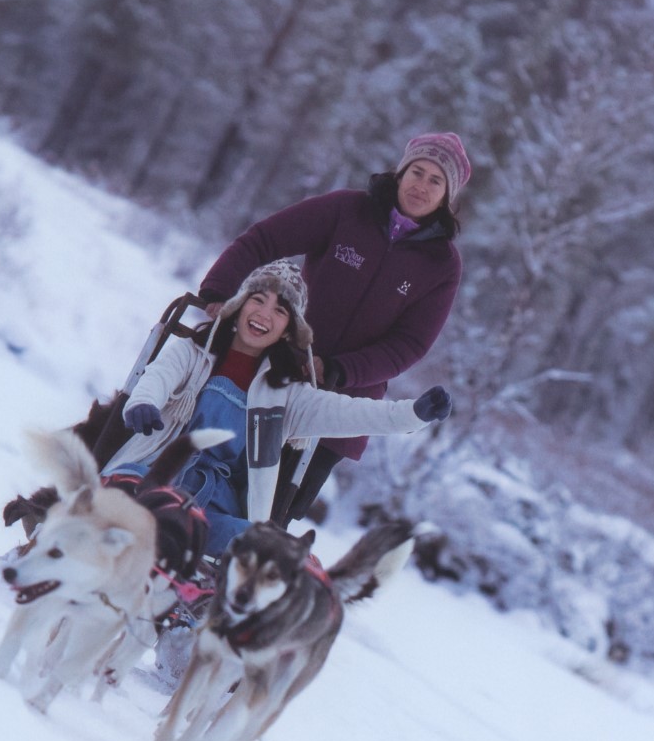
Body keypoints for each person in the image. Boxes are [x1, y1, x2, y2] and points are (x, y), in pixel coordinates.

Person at [195, 132, 470, 521]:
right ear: (400, 171)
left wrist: (339, 370)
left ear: (447, 196)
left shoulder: (442, 265)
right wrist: (217, 292)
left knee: (269, 523)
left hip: (343, 409)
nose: (421, 186)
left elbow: (409, 345)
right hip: (273, 379)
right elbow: (263, 239)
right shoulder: (347, 210)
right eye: (416, 171)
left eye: (435, 180)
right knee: (213, 481)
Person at [101, 261, 452, 555]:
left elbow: (353, 413)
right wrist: (145, 403)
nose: (264, 313)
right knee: (117, 496)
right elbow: (159, 376)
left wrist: (413, 414)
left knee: (255, 549)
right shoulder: (194, 351)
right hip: (156, 473)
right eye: (258, 299)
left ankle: (188, 621)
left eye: (279, 310)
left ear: (288, 330)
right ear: (238, 306)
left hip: (212, 507)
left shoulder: (286, 395)